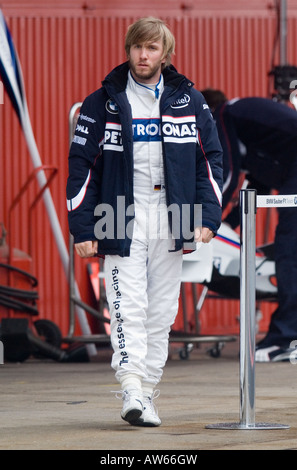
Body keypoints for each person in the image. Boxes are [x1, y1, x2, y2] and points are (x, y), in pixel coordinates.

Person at [66, 17, 223, 427]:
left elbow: (211, 162)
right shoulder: (103, 101)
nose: (143, 55)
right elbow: (81, 165)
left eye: (151, 48)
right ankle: (132, 388)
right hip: (117, 212)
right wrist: (82, 228)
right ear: (128, 50)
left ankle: (148, 391)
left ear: (165, 54)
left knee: (162, 313)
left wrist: (208, 216)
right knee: (126, 306)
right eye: (137, 47)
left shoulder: (191, 100)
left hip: (175, 214)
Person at [201, 87, 297, 362]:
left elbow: (228, 175)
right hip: (291, 163)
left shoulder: (224, 114)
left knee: (289, 250)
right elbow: (258, 186)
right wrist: (229, 224)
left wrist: (210, 219)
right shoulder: (249, 126)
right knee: (290, 248)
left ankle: (285, 338)